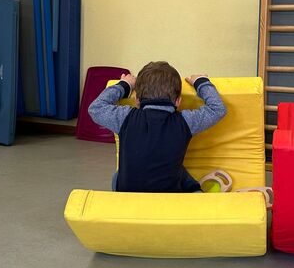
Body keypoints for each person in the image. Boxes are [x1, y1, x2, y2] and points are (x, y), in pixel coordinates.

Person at [88, 61, 226, 193]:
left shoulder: (125, 117)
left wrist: (125, 85)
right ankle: (195, 191)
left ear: (137, 101)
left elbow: (96, 108)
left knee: (117, 176)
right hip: (169, 196)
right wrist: (202, 82)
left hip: (128, 194)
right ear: (178, 101)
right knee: (178, 171)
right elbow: (217, 109)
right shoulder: (186, 121)